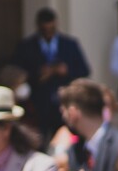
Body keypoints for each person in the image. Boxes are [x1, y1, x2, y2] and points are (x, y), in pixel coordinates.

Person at [10, 7, 92, 138]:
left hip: (63, 103)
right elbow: (16, 74)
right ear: (38, 27)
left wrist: (66, 71)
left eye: (51, 29)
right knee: (38, 139)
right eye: (45, 30)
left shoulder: (69, 44)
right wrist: (39, 73)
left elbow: (84, 71)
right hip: (38, 105)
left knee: (65, 139)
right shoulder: (26, 47)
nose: (48, 33)